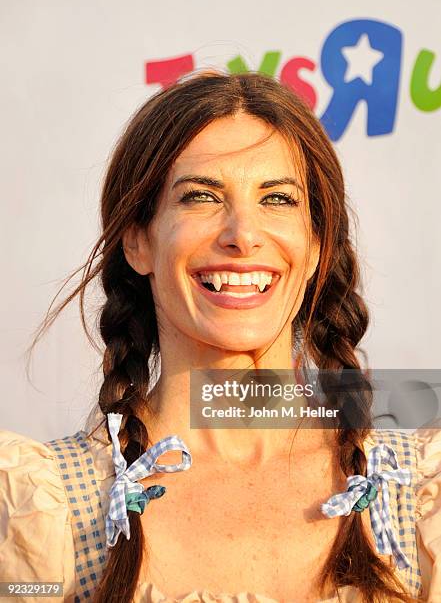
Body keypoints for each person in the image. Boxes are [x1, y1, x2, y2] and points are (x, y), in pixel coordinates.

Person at [0, 71, 440, 603]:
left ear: (318, 245)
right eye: (200, 197)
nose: (243, 235)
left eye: (277, 199)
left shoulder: (419, 496)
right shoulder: (41, 509)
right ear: (137, 241)